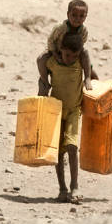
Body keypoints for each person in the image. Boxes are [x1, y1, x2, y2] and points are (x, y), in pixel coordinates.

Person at [39, 33, 86, 203]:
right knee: (58, 152)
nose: (70, 59)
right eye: (67, 55)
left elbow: (91, 74)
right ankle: (62, 189)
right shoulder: (54, 63)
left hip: (73, 111)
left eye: (74, 55)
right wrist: (43, 82)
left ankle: (75, 186)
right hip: (56, 111)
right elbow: (41, 60)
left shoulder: (80, 62)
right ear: (61, 51)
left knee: (72, 147)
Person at [37, 0, 94, 94]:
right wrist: (55, 54)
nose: (77, 19)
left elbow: (81, 44)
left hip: (73, 52)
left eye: (81, 16)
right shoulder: (60, 28)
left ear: (86, 17)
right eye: (74, 15)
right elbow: (51, 41)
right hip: (57, 50)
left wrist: (76, 55)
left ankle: (88, 78)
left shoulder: (83, 30)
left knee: (86, 55)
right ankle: (45, 81)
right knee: (41, 59)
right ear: (68, 14)